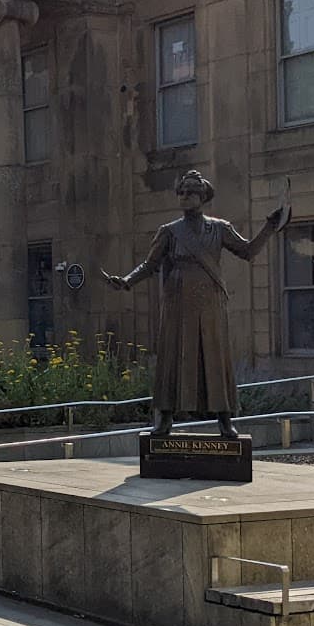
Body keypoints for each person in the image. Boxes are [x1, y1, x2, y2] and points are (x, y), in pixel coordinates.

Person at [104, 169, 286, 438]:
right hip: (177, 300)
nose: (185, 196)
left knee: (215, 356)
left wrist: (269, 227)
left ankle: (225, 420)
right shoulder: (169, 232)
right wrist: (127, 281)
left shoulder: (220, 228)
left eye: (191, 192)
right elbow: (150, 265)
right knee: (172, 356)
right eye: (182, 191)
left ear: (203, 197)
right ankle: (165, 418)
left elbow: (247, 251)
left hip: (210, 300)